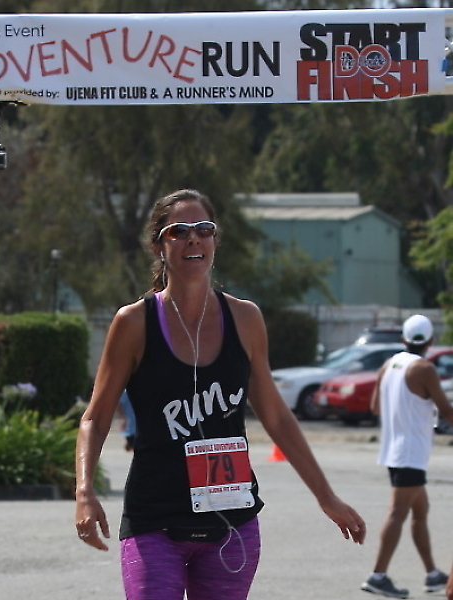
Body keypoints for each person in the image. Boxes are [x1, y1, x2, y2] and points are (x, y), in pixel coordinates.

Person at [75, 189, 365, 600]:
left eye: (204, 229)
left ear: (215, 240)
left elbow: (276, 416)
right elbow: (96, 416)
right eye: (178, 231)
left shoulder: (245, 318)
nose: (193, 238)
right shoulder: (135, 323)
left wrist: (326, 495)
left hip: (232, 525)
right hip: (154, 521)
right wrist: (84, 491)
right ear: (158, 245)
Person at [361, 314, 453, 599]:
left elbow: (375, 407)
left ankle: (433, 574)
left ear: (403, 338)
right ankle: (378, 576)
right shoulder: (424, 368)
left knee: (420, 511)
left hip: (394, 449)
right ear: (431, 340)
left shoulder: (389, 365)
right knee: (398, 513)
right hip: (411, 451)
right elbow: (445, 409)